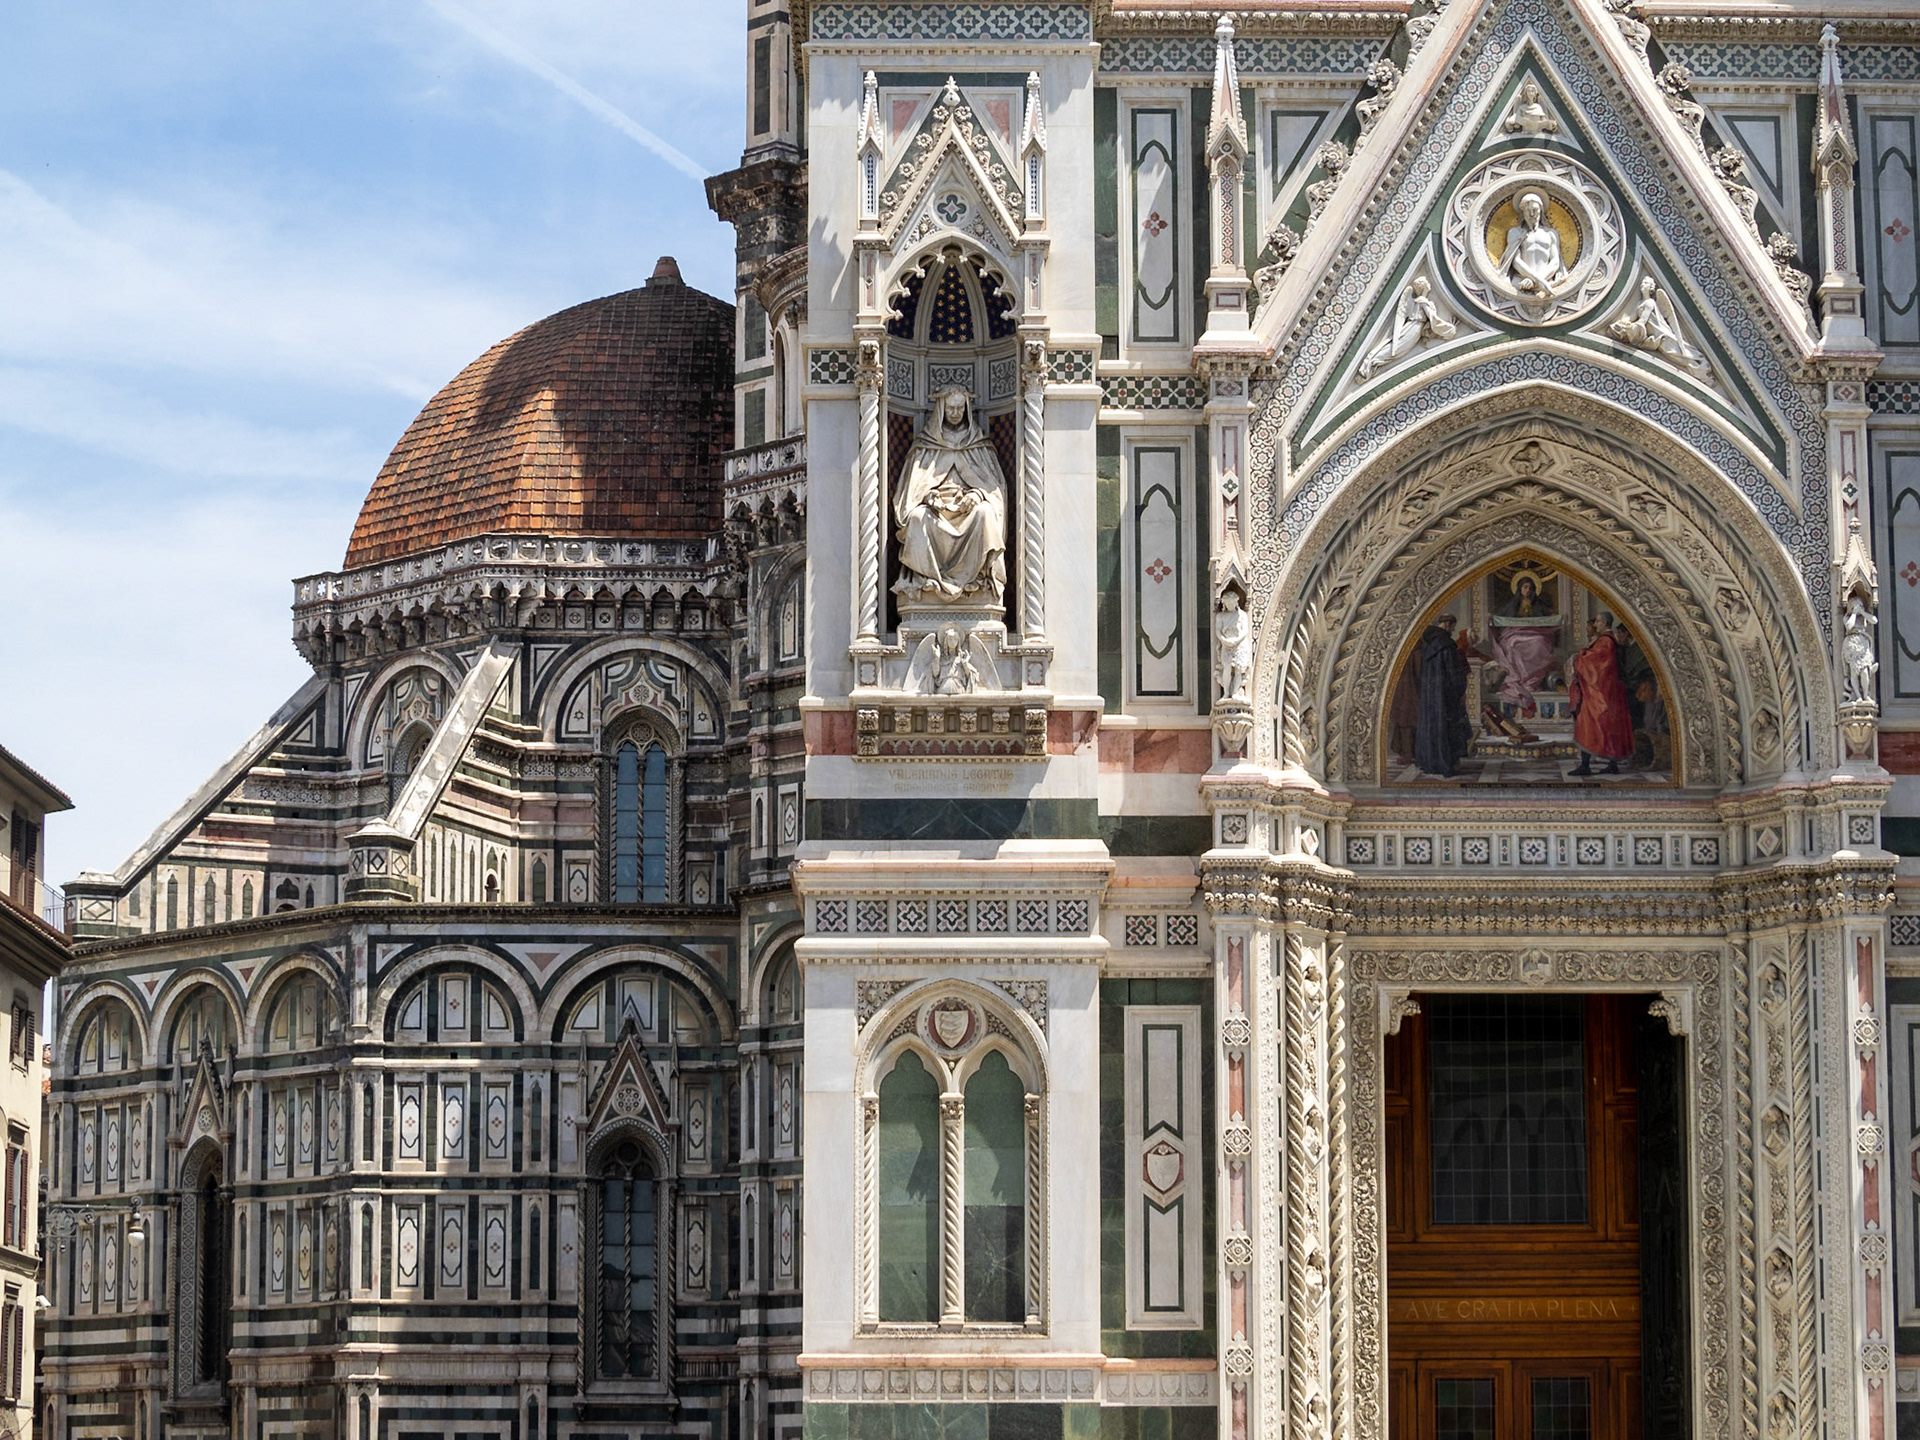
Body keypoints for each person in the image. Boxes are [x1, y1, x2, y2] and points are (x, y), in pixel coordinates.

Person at [892, 387, 1008, 603]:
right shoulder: (926, 445)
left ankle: (978, 581)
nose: (955, 413)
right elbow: (911, 491)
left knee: (986, 513)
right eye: (950, 408)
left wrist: (978, 494)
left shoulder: (979, 445)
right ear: (940, 409)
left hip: (969, 509)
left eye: (960, 408)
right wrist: (928, 497)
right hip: (936, 511)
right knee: (917, 517)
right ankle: (925, 581)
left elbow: (996, 490)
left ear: (967, 410)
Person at [1568, 612, 1634, 776]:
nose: (1595, 624)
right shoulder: (1606, 640)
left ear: (1605, 623)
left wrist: (1579, 658)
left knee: (1588, 725)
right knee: (1609, 727)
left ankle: (1585, 766)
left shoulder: (1606, 641)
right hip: (1607, 692)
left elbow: (1597, 663)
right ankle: (1612, 765)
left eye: (1597, 621)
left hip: (1601, 693)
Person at [1413, 613, 1472, 776]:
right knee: (1447, 727)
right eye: (1451, 625)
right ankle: (1446, 763)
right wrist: (1460, 690)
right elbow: (1454, 673)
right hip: (1446, 695)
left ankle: (1430, 762)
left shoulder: (1427, 642)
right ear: (1449, 626)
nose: (1451, 628)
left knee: (1432, 726)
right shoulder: (1447, 644)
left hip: (1429, 694)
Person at [1497, 190, 1568, 295]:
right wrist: (1538, 281)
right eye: (1527, 210)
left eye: (1535, 210)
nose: (1531, 214)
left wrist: (1536, 281)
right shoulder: (1515, 232)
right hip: (1521, 283)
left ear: (1541, 210)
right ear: (1522, 213)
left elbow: (1555, 261)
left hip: (1547, 282)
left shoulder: (1551, 234)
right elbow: (1515, 260)